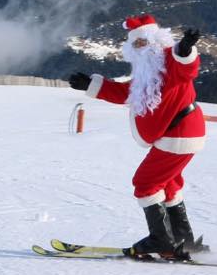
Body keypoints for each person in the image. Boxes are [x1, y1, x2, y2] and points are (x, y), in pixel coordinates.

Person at [68, 14, 207, 259]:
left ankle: (162, 240)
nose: (141, 48)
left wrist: (185, 48)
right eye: (136, 44)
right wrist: (91, 84)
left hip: (179, 132)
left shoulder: (168, 62)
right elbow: (125, 93)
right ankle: (183, 239)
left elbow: (186, 68)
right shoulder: (147, 71)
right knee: (170, 183)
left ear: (157, 41)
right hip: (179, 134)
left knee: (145, 183)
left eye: (144, 42)